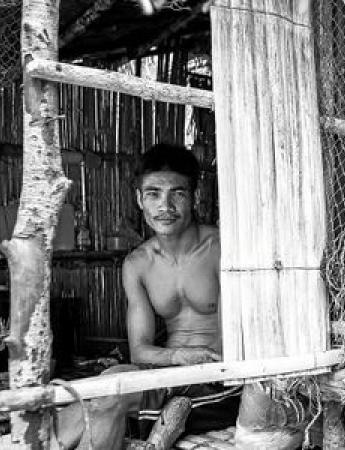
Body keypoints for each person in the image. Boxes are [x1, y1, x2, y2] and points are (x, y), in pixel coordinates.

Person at [54, 143, 239, 450]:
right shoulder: (138, 264)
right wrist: (178, 357)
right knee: (104, 392)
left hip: (217, 382)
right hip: (163, 376)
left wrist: (186, 362)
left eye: (177, 193)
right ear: (140, 199)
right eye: (153, 194)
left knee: (111, 392)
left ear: (193, 196)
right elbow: (139, 351)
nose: (165, 206)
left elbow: (227, 342)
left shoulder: (222, 249)